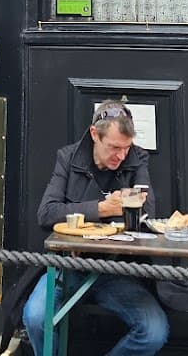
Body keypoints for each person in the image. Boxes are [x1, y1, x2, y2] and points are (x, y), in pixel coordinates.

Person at [20, 102, 168, 356]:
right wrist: (102, 209)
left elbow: (148, 217)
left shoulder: (137, 159)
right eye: (114, 147)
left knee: (153, 331)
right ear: (94, 134)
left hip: (116, 270)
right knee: (35, 318)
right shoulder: (68, 158)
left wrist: (132, 207)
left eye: (126, 147)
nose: (121, 155)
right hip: (68, 268)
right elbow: (46, 214)